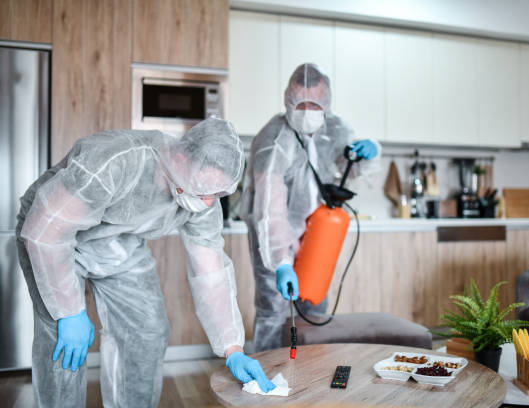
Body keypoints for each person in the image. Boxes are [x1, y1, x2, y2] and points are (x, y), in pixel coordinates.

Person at [16, 117, 275, 407]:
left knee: (147, 331)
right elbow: (45, 232)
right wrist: (69, 312)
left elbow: (210, 271)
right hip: (53, 235)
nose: (206, 203)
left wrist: (233, 348)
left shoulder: (204, 201)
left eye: (215, 195)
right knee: (64, 343)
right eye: (202, 192)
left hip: (118, 242)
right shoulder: (117, 160)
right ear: (179, 157)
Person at [239, 63, 381, 352]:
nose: (307, 111)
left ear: (326, 103)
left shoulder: (335, 129)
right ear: (288, 101)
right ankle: (266, 374)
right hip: (273, 234)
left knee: (315, 302)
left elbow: (347, 169)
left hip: (317, 230)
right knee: (274, 310)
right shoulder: (272, 140)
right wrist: (281, 260)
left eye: (314, 104)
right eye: (300, 104)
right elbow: (269, 207)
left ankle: (312, 374)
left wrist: (368, 153)